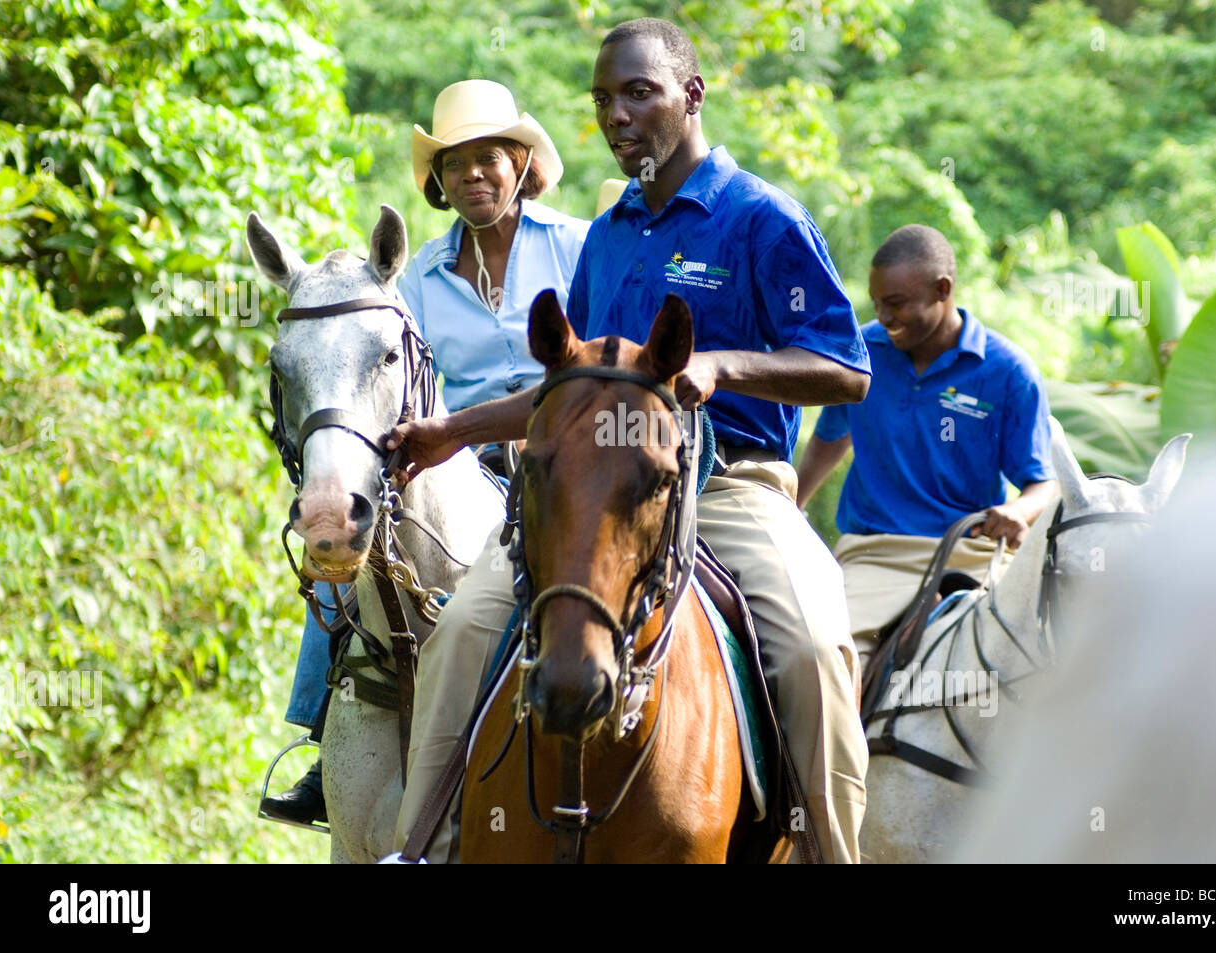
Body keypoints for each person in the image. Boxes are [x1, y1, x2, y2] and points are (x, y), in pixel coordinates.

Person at [388, 17, 872, 863]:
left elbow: (846, 370)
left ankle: (833, 851)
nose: (618, 115)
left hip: (728, 490)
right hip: (596, 491)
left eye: (639, 93)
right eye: (604, 100)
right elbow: (569, 390)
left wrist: (722, 367)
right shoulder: (609, 235)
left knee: (809, 642)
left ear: (691, 95)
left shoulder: (761, 219)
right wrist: (452, 430)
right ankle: (420, 844)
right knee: (463, 627)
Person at [260, 80, 589, 825]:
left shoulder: (578, 248)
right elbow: (398, 382)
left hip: (563, 458)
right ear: (438, 182)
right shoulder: (418, 281)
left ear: (521, 162)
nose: (472, 174)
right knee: (346, 560)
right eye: (454, 163)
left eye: (487, 158)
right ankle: (326, 737)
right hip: (451, 460)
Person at [796, 224, 1057, 664]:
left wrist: (1018, 511)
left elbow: (1041, 483)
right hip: (875, 555)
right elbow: (829, 438)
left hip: (971, 554)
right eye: (878, 304)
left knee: (1027, 664)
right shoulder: (862, 352)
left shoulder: (1008, 371)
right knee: (823, 659)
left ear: (943, 289)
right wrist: (790, 503)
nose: (884, 317)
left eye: (896, 304)